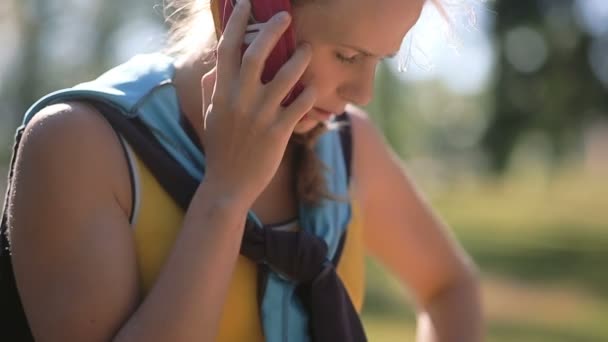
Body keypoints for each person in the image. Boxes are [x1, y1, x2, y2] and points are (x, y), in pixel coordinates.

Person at [3, 0, 482, 340]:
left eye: (380, 60)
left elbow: (450, 288)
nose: (363, 93)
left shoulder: (349, 146)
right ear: (245, 13)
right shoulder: (79, 145)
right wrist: (225, 197)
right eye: (348, 56)